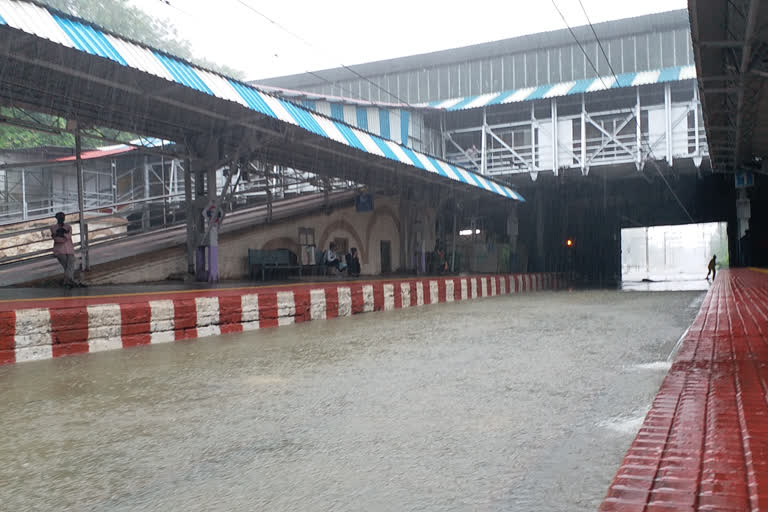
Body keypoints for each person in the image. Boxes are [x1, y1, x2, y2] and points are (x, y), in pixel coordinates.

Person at [50, 212, 84, 288]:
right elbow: (58, 240)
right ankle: (70, 282)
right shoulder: (54, 227)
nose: (62, 219)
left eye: (63, 217)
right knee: (69, 267)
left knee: (69, 267)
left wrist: (60, 234)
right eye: (60, 217)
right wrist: (64, 234)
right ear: (57, 218)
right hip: (60, 251)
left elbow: (67, 236)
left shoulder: (68, 226)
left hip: (69, 250)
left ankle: (67, 282)